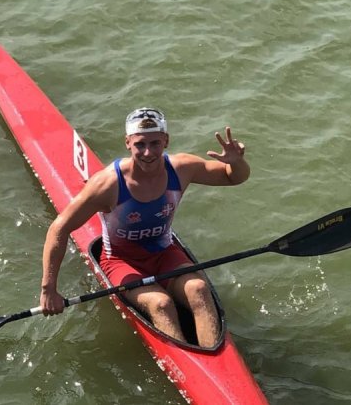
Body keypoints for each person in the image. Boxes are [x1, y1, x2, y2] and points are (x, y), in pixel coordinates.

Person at [39, 107, 250, 348]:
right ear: (127, 143)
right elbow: (59, 228)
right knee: (161, 304)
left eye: (155, 143)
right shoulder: (107, 184)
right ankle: (184, 358)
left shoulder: (182, 168)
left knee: (199, 289)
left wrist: (237, 163)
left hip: (164, 253)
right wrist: (49, 289)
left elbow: (234, 177)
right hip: (121, 262)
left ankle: (213, 359)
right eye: (140, 144)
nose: (148, 152)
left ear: (166, 141)